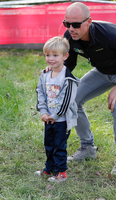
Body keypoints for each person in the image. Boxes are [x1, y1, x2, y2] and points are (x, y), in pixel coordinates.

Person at [55, 2, 116, 174]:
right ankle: (88, 148)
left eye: (76, 24)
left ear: (89, 22)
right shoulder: (70, 36)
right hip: (103, 72)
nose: (71, 28)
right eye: (67, 24)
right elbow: (69, 63)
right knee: (73, 100)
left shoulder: (110, 34)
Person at [35, 36, 80, 182]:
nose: (50, 58)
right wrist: (43, 112)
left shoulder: (68, 78)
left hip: (62, 120)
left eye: (55, 55)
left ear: (65, 56)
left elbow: (66, 100)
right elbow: (40, 92)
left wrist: (55, 115)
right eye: (48, 55)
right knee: (49, 144)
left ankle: (61, 172)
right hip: (48, 118)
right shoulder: (45, 75)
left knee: (59, 146)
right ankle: (49, 168)